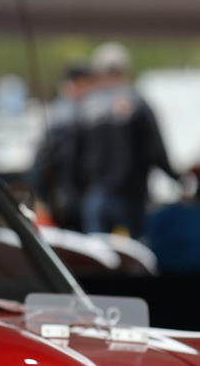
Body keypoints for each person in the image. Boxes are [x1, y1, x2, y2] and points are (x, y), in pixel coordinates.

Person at [78, 42, 178, 238]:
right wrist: (177, 178)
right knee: (136, 259)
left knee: (96, 259)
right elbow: (155, 149)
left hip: (96, 195)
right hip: (131, 195)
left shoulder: (87, 106)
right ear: (126, 70)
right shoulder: (138, 102)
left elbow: (73, 153)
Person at [29, 63, 93, 231]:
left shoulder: (59, 113)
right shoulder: (73, 115)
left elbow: (41, 162)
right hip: (75, 200)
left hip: (63, 199)